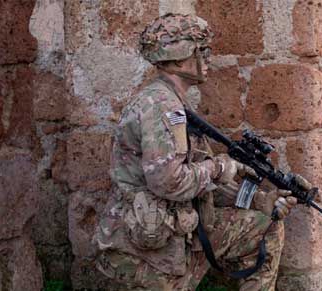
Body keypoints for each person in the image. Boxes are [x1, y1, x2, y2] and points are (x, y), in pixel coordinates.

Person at [93, 13, 308, 291]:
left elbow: (199, 183)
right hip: (143, 249)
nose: (208, 60)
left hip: (173, 231)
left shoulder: (171, 102)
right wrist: (220, 166)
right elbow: (169, 182)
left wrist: (259, 200)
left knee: (266, 224)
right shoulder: (162, 106)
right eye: (202, 51)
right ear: (182, 57)